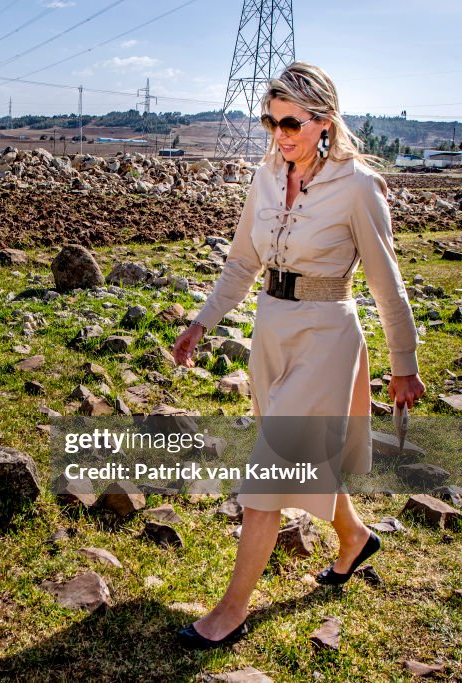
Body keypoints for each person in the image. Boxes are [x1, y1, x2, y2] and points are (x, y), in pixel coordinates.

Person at [171, 62, 426, 649]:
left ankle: (230, 612)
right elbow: (242, 263)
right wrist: (202, 323)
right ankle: (355, 538)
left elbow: (387, 284)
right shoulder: (264, 177)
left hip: (326, 338)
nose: (279, 133)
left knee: (270, 470)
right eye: (270, 121)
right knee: (295, 458)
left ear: (323, 121)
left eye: (290, 122)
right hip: (271, 333)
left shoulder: (360, 186)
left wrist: (404, 363)